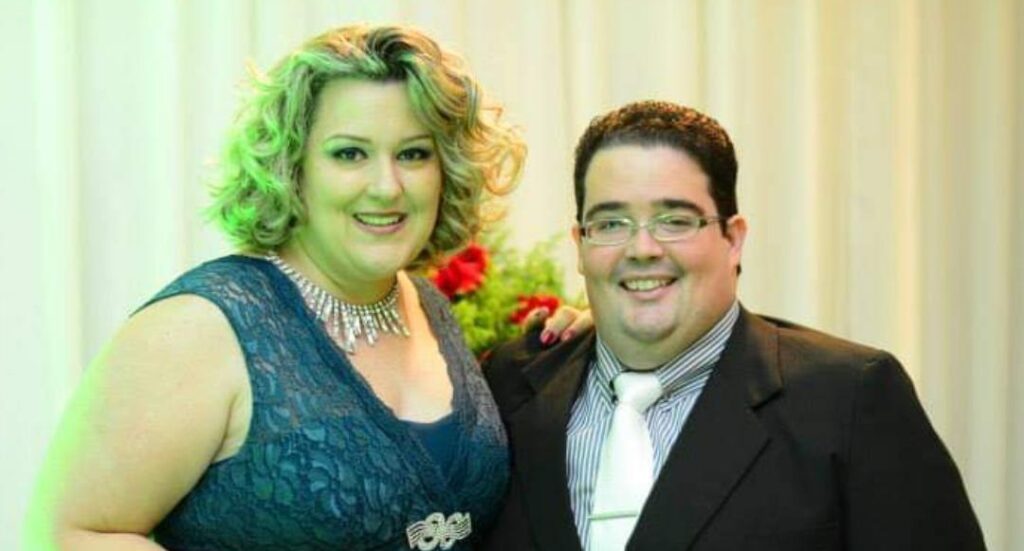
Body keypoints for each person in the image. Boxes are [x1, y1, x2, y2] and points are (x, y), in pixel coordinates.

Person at [25, 24, 585, 551]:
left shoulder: (428, 305)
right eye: (349, 153)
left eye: (413, 154)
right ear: (292, 168)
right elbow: (67, 535)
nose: (387, 186)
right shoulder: (202, 328)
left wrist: (582, 346)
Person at [481, 101, 986, 550]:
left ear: (734, 238)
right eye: (611, 223)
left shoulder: (849, 399)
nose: (642, 249)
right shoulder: (509, 388)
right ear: (580, 244)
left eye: (675, 220)